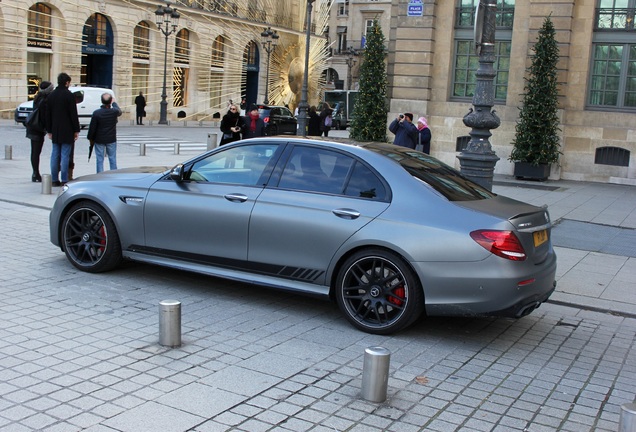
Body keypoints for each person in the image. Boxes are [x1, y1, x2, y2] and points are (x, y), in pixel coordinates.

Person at [46, 72, 80, 187]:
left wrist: (49, 130)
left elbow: (48, 114)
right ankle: (64, 178)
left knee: (55, 153)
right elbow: (73, 114)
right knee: (65, 154)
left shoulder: (51, 95)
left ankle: (54, 179)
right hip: (67, 129)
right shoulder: (69, 95)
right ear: (66, 83)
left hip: (55, 128)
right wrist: (76, 129)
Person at [87, 93, 122, 173]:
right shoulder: (114, 112)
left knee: (99, 159)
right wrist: (114, 103)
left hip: (99, 139)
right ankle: (114, 174)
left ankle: (100, 175)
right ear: (110, 101)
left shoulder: (97, 113)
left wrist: (90, 138)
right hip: (111, 139)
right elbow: (119, 111)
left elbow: (92, 127)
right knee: (112, 158)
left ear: (101, 101)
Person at [26, 80, 54, 182]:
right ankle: (35, 173)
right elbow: (44, 117)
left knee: (34, 152)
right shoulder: (44, 101)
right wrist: (48, 128)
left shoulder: (37, 97)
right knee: (36, 151)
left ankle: (35, 172)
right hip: (37, 128)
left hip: (33, 126)